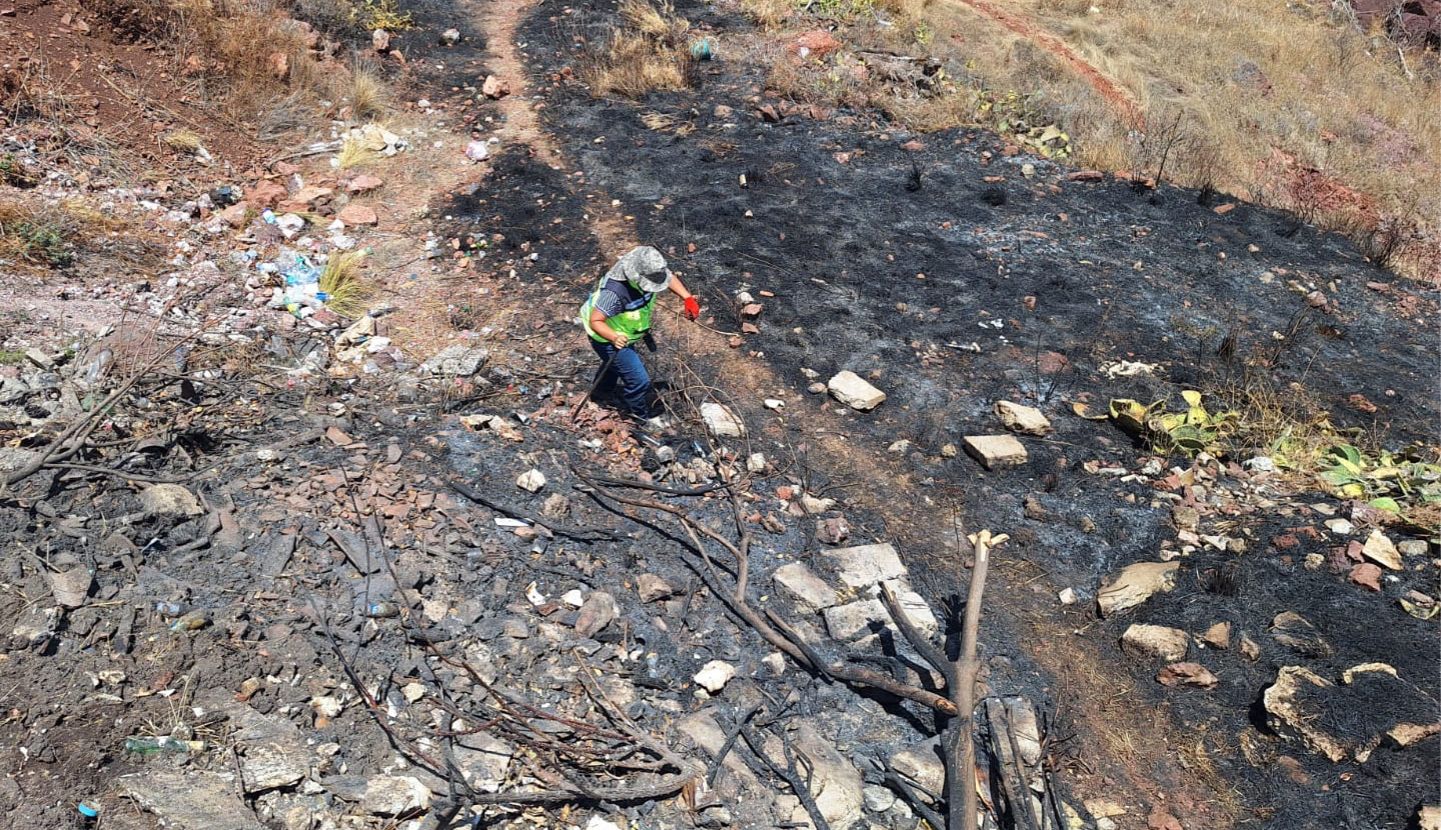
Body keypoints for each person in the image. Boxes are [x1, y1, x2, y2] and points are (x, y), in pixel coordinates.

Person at [580, 246, 700, 427]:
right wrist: (613, 337)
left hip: (625, 334)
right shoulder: (615, 293)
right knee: (639, 381)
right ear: (637, 277)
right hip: (606, 338)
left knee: (614, 366)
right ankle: (640, 417)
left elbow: (667, 277)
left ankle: (601, 392)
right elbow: (595, 321)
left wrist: (687, 297)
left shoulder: (649, 268)